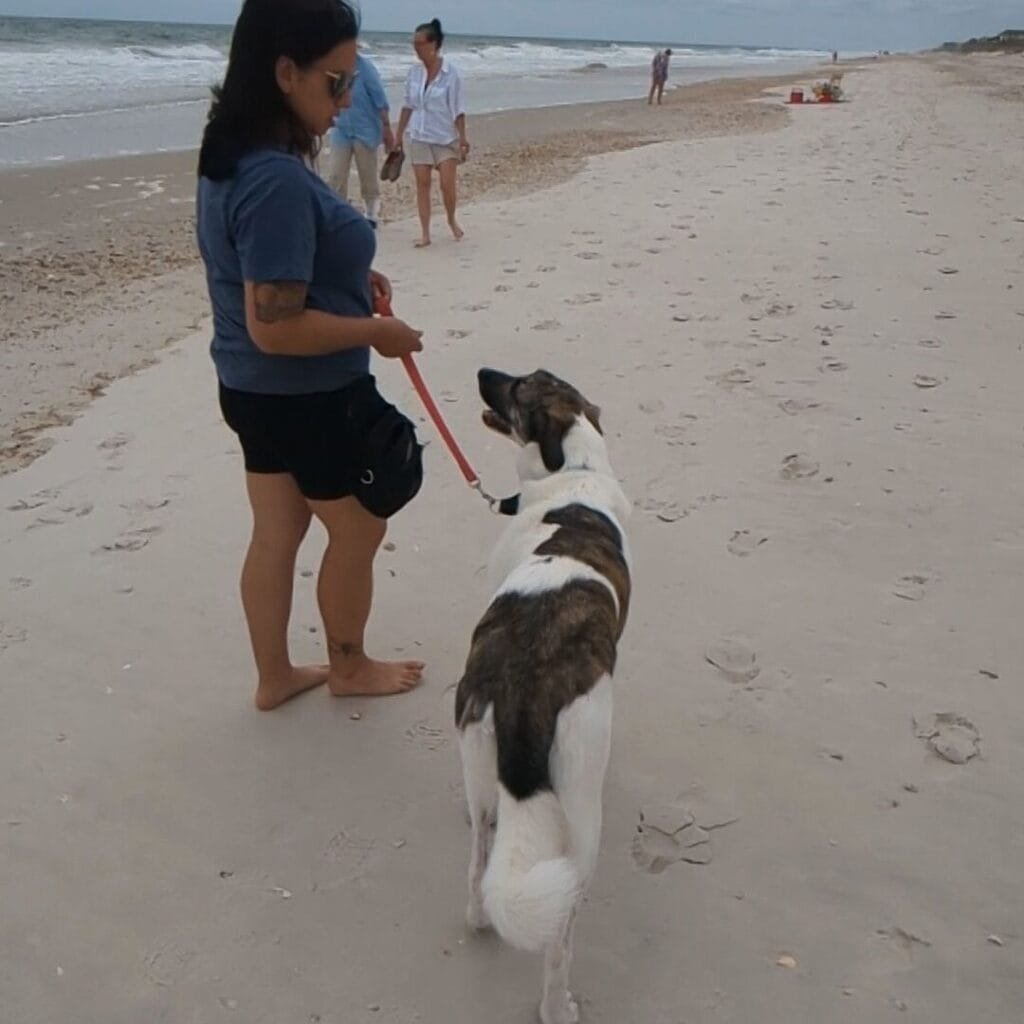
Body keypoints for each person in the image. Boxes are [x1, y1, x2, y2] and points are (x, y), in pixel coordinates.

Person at [195, 0, 427, 711]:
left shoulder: (232, 157)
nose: (347, 98)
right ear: (284, 72)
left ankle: (274, 675)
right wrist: (373, 334)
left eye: (351, 79)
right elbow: (278, 326)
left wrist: (348, 278)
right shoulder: (275, 180)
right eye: (335, 81)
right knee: (360, 526)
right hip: (305, 394)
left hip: (250, 388)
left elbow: (255, 277)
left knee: (279, 529)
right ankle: (349, 666)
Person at [395, 18, 469, 247]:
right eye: (413, 44)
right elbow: (408, 105)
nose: (416, 48)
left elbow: (458, 109)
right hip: (419, 135)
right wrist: (398, 135)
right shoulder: (414, 73)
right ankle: (425, 233)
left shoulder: (451, 74)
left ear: (433, 44)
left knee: (447, 185)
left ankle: (450, 219)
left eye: (419, 43)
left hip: (445, 137)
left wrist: (463, 139)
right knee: (422, 184)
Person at [327, 52, 394, 227]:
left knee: (367, 173)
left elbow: (380, 99)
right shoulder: (333, 66)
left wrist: (387, 128)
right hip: (341, 128)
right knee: (335, 174)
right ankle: (338, 214)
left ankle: (371, 213)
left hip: (365, 129)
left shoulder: (366, 68)